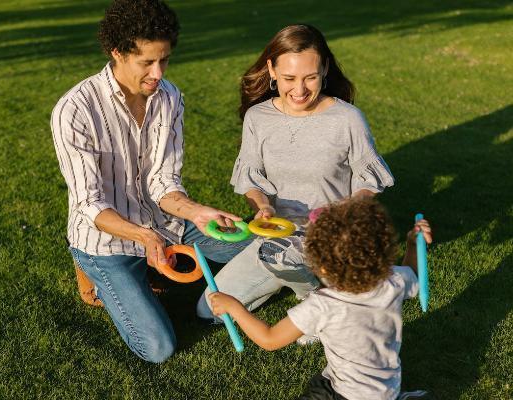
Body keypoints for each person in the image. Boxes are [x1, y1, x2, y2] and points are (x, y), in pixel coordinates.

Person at [50, 0, 248, 363]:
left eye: (165, 60)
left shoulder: (170, 97)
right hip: (105, 240)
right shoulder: (75, 109)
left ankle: (156, 274)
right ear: (117, 53)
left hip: (165, 223)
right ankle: (96, 273)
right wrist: (143, 237)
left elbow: (163, 181)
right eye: (147, 62)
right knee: (158, 349)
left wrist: (198, 212)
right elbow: (89, 203)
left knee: (256, 246)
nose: (158, 73)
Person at [197, 24, 395, 320]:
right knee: (208, 311)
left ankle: (313, 300)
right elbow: (251, 179)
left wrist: (346, 208)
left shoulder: (348, 119)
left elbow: (368, 182)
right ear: (272, 70)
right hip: (277, 234)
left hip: (331, 238)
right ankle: (310, 291)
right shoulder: (258, 117)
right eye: (289, 78)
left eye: (310, 77)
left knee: (294, 266)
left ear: (325, 69)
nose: (300, 90)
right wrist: (262, 206)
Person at [210, 198, 433, 400]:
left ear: (322, 267)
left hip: (347, 394)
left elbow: (270, 339)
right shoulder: (393, 280)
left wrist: (235, 307)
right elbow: (415, 276)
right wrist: (413, 245)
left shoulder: (324, 305)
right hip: (382, 387)